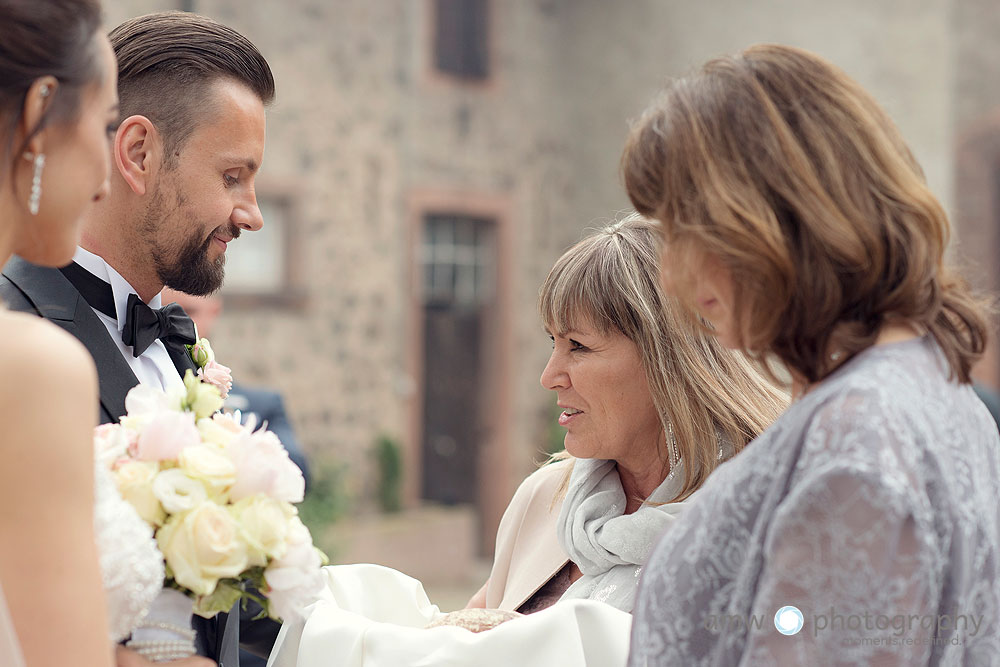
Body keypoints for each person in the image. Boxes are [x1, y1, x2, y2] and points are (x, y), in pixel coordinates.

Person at [621, 43, 1000, 665]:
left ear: (767, 217)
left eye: (676, 232)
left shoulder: (858, 432)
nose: (667, 274)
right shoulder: (936, 392)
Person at [266, 216, 788, 667]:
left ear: (669, 361)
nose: (550, 375)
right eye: (552, 344)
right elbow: (450, 644)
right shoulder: (546, 500)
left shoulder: (766, 520)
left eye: (578, 346)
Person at [0, 10, 279, 666]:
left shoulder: (184, 354)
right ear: (136, 152)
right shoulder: (25, 344)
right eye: (233, 175)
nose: (254, 213)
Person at [161, 288, 312, 492]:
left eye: (188, 312)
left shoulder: (264, 404)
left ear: (214, 312)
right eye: (162, 312)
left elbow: (297, 471)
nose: (174, 323)